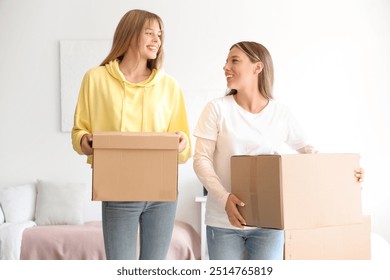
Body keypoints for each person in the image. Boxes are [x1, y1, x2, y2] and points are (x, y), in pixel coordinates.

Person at [193, 41, 364, 260]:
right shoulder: (217, 109)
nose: (225, 67)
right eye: (226, 61)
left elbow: (310, 155)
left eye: (234, 60)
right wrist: (225, 198)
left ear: (257, 67)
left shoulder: (281, 114)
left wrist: (346, 174)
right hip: (223, 223)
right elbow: (201, 160)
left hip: (270, 224)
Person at [71, 9, 191, 260]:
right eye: (149, 33)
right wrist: (87, 142)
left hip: (162, 194)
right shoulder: (96, 79)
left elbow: (185, 144)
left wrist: (181, 143)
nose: (157, 39)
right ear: (129, 35)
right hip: (118, 190)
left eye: (160, 34)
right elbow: (79, 131)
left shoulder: (169, 86)